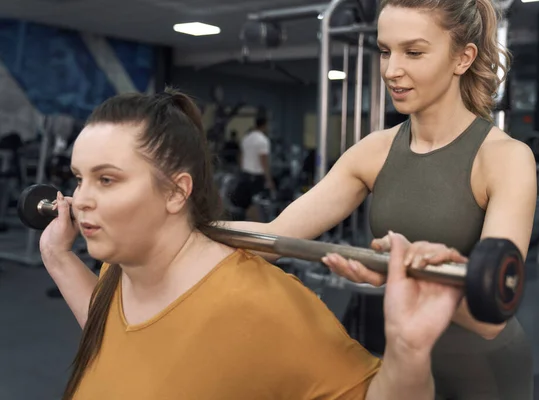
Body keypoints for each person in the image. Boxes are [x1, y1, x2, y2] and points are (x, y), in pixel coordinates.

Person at [40, 89, 472, 399]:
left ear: (175, 192)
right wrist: (57, 256)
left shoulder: (258, 303)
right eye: (80, 178)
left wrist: (408, 351)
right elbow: (118, 340)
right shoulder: (120, 268)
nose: (80, 199)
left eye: (107, 179)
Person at [225, 0, 538, 399]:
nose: (391, 70)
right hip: (405, 364)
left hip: (487, 372)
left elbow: (493, 311)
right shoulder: (374, 150)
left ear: (463, 57)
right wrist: (189, 226)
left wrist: (399, 276)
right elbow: (273, 236)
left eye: (414, 52)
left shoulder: (504, 159)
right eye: (385, 51)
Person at [231, 117, 276, 220]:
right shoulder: (263, 140)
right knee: (257, 205)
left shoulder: (246, 138)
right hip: (256, 177)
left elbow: (240, 157)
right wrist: (269, 180)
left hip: (245, 175)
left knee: (245, 205)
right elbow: (264, 162)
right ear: (264, 125)